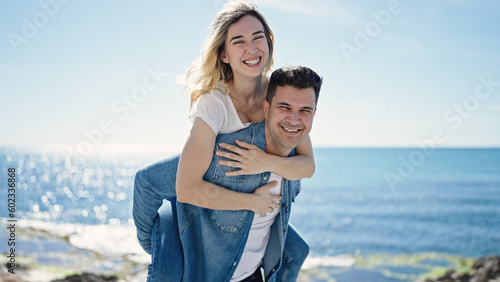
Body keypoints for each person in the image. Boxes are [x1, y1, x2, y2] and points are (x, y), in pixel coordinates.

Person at [133, 1, 314, 280]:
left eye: (258, 37)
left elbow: (307, 165)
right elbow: (187, 188)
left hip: (253, 240)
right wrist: (158, 250)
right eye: (238, 41)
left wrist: (264, 162)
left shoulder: (280, 94)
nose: (251, 49)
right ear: (224, 55)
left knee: (296, 250)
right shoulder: (214, 104)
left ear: (269, 42)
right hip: (209, 219)